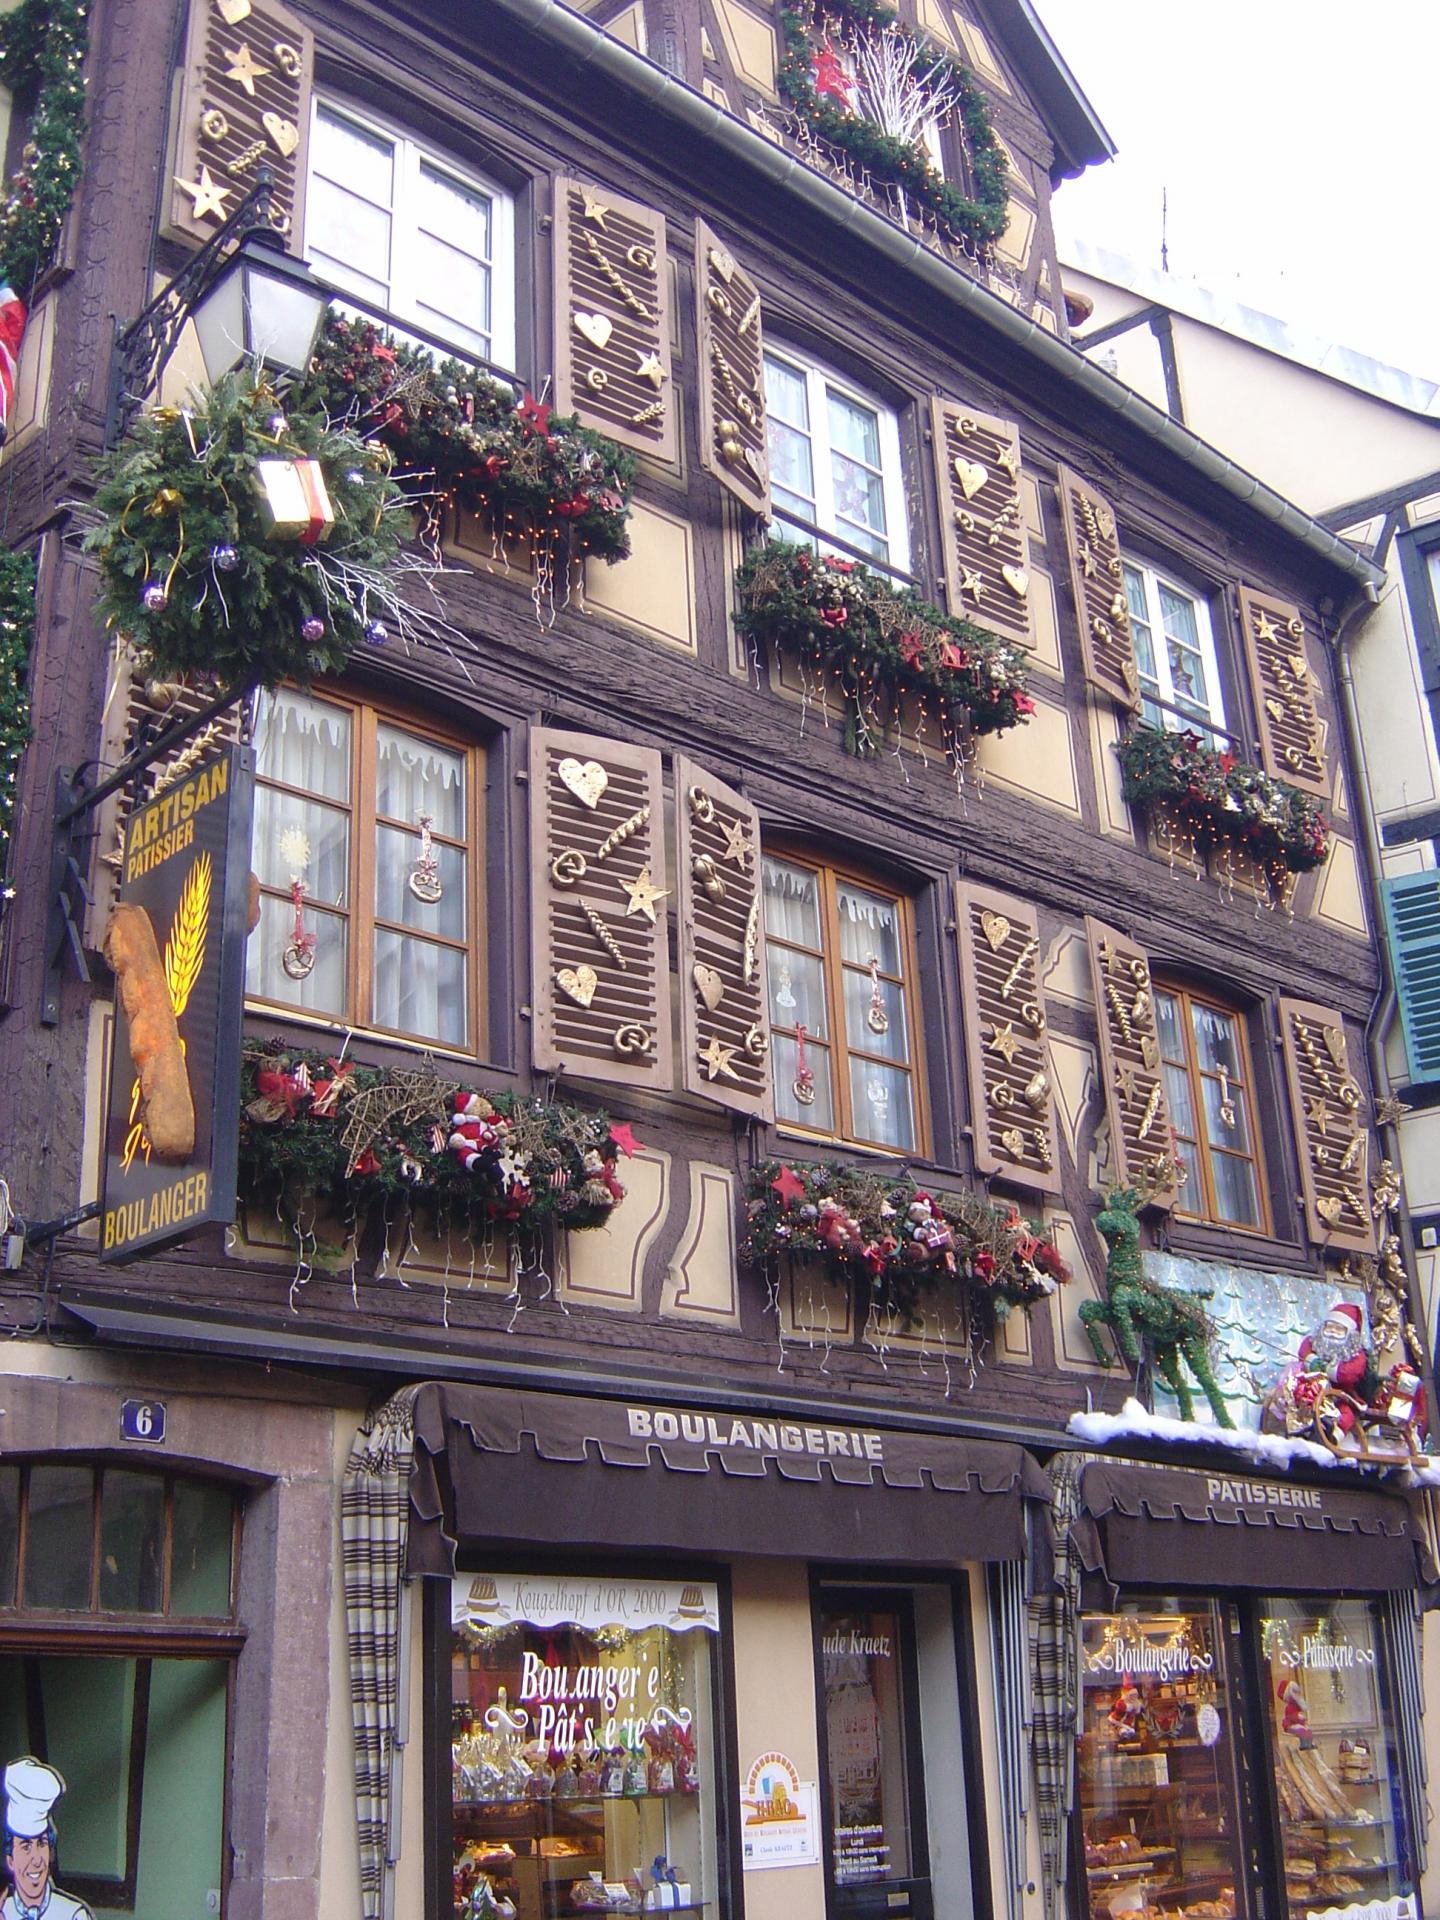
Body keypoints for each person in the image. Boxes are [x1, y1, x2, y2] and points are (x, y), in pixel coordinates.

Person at [2, 1760, 93, 1920]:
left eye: (42, 1844)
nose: (37, 1859)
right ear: (10, 1860)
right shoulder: (4, 1912)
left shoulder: (73, 1915)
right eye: (25, 1847)